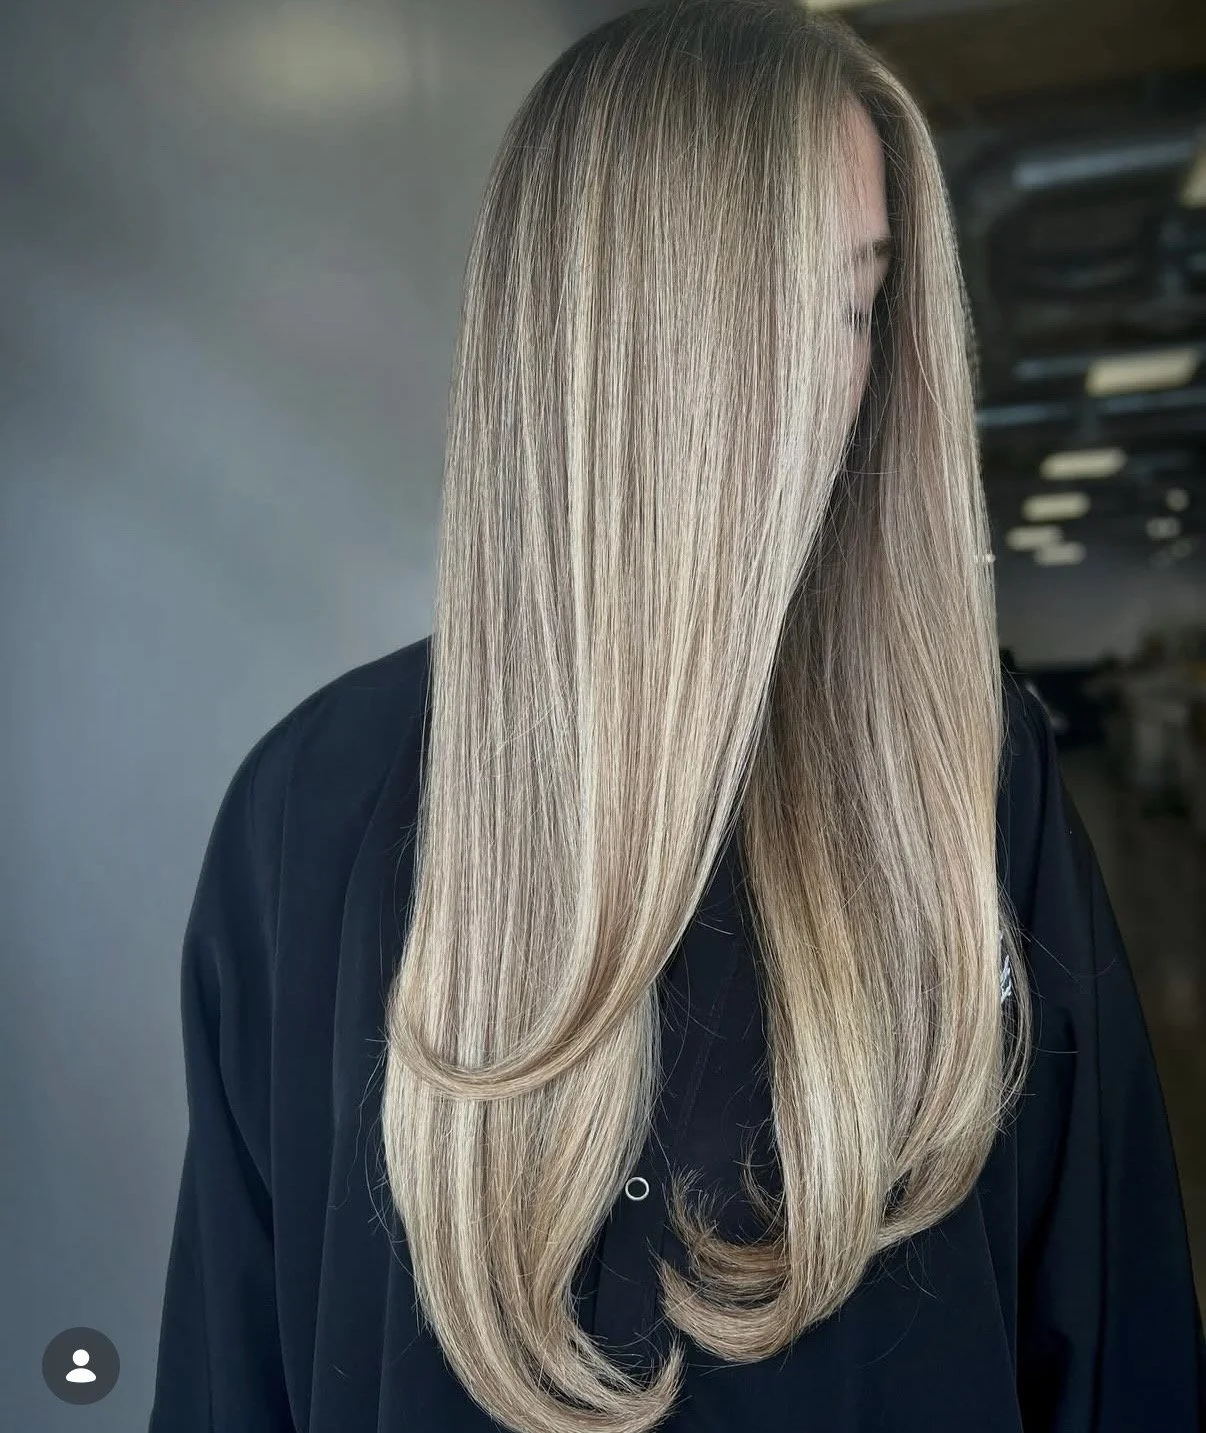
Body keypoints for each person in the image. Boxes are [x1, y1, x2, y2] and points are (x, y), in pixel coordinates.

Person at [147, 3, 1206, 1430]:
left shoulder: (955, 771)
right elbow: (233, 1369)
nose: (846, 375)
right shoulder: (315, 806)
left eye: (860, 299)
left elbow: (1111, 1340)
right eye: (787, 305)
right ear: (601, 334)